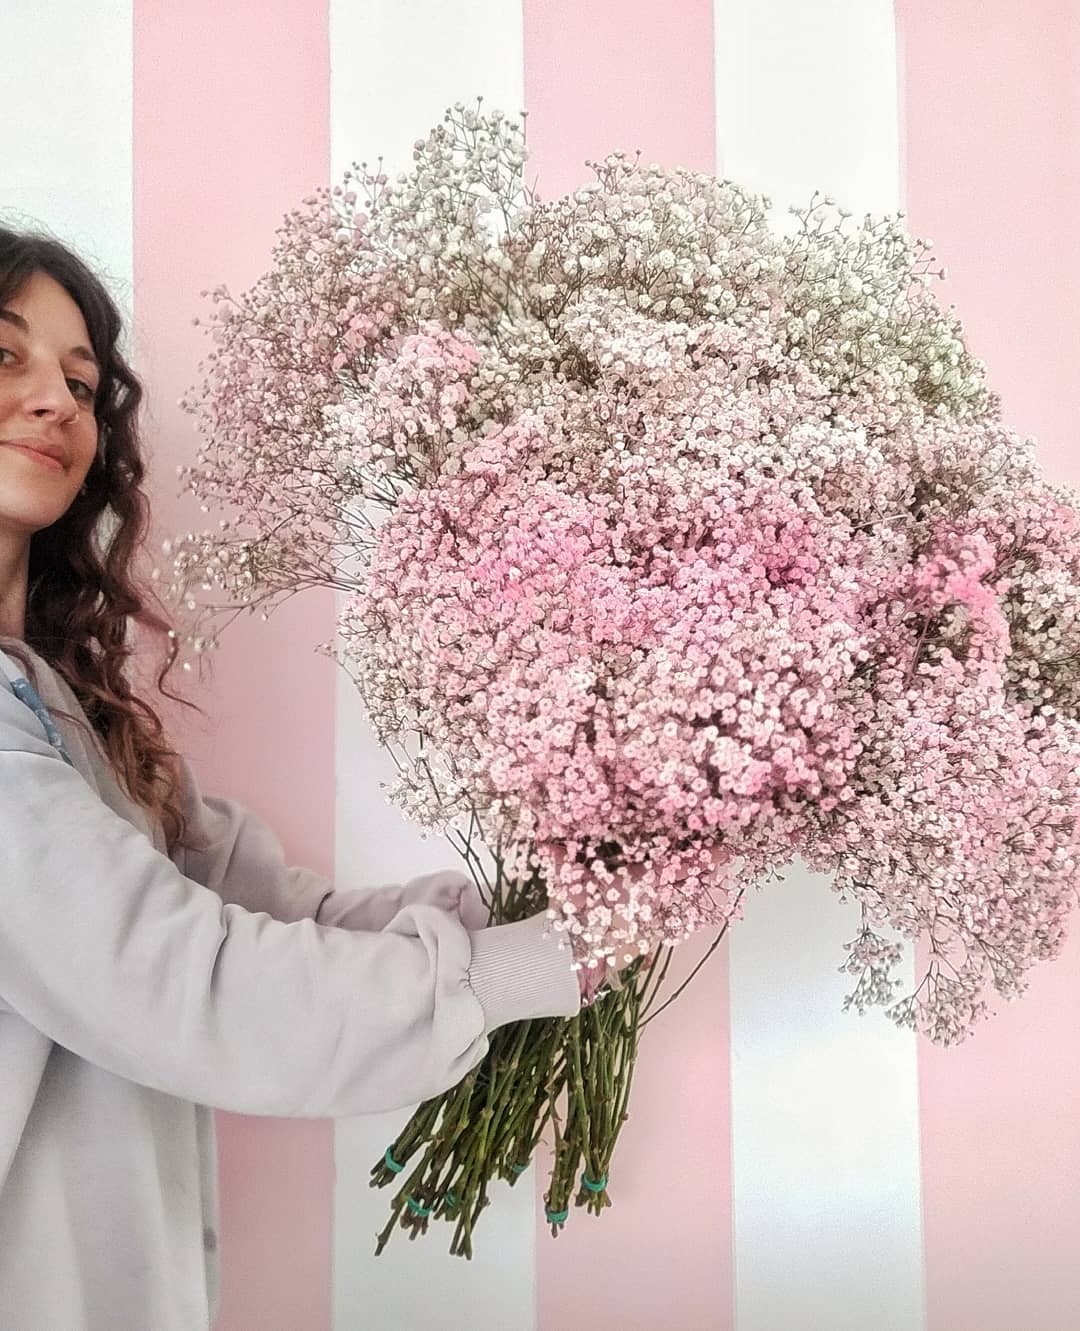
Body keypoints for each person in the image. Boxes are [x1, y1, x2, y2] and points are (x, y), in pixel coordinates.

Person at [0, 226, 627, 1330]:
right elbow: (192, 981)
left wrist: (542, 903)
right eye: (5, 356)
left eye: (82, 380)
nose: (56, 399)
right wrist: (505, 972)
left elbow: (269, 910)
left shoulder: (59, 705)